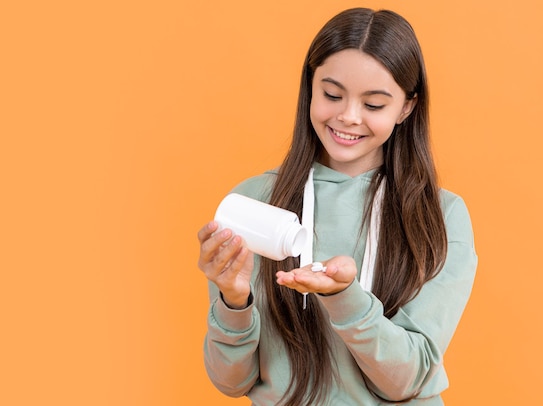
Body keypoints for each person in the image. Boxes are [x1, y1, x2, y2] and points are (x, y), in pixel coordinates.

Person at [196, 7, 477, 406]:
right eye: (331, 94)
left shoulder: (438, 217)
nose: (348, 116)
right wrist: (232, 301)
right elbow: (230, 381)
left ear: (407, 108)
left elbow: (406, 380)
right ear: (310, 87)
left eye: (374, 104)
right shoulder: (256, 205)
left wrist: (344, 297)